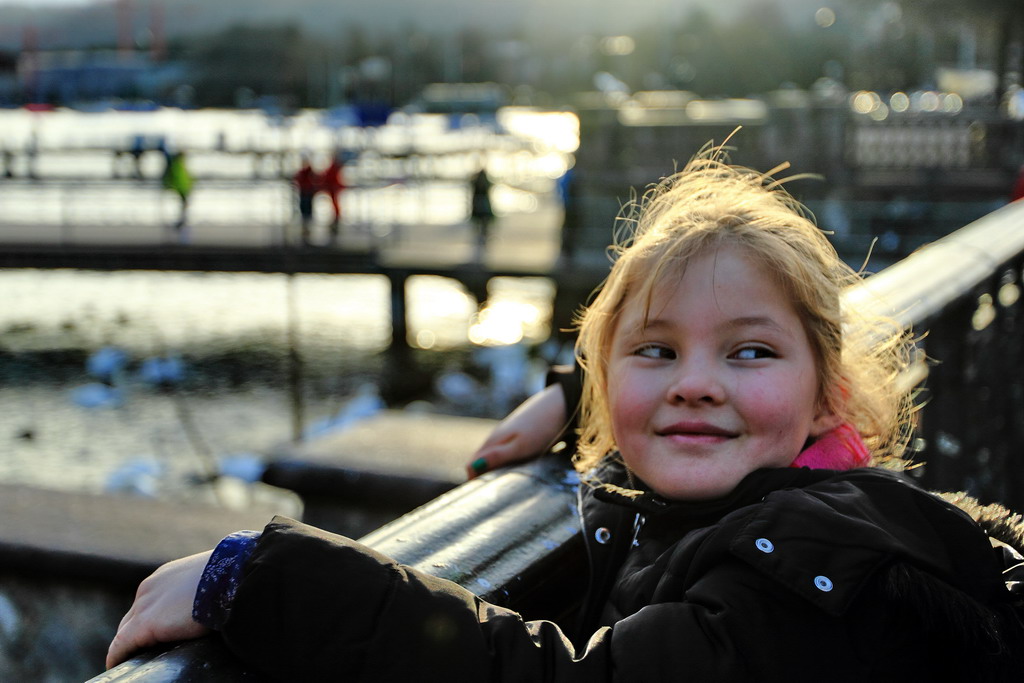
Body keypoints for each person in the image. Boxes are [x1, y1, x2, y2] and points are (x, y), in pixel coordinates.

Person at [107, 151, 1024, 680]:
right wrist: (579, 392)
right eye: (655, 351)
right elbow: (686, 389)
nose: (694, 383)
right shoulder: (812, 495)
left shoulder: (807, 573)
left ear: (829, 391)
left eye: (750, 351)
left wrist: (268, 577)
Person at [161, 149, 193, 241]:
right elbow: (181, 178)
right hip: (180, 190)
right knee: (180, 209)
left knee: (182, 209)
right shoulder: (178, 165)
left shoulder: (179, 165)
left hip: (181, 190)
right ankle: (179, 226)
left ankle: (179, 225)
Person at [470, 160, 493, 260]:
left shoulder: (476, 179)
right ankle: (483, 235)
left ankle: (482, 235)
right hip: (483, 203)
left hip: (479, 203)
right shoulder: (484, 179)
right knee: (484, 221)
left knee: (481, 221)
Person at [321, 151, 347, 241]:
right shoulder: (333, 170)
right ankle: (333, 227)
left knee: (334, 209)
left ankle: (334, 226)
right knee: (333, 209)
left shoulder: (334, 170)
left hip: (333, 193)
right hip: (332, 193)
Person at [293, 155, 319, 245]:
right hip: (305, 194)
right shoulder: (306, 172)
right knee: (305, 212)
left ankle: (306, 231)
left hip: (306, 194)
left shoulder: (307, 172)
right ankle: (305, 231)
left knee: (306, 213)